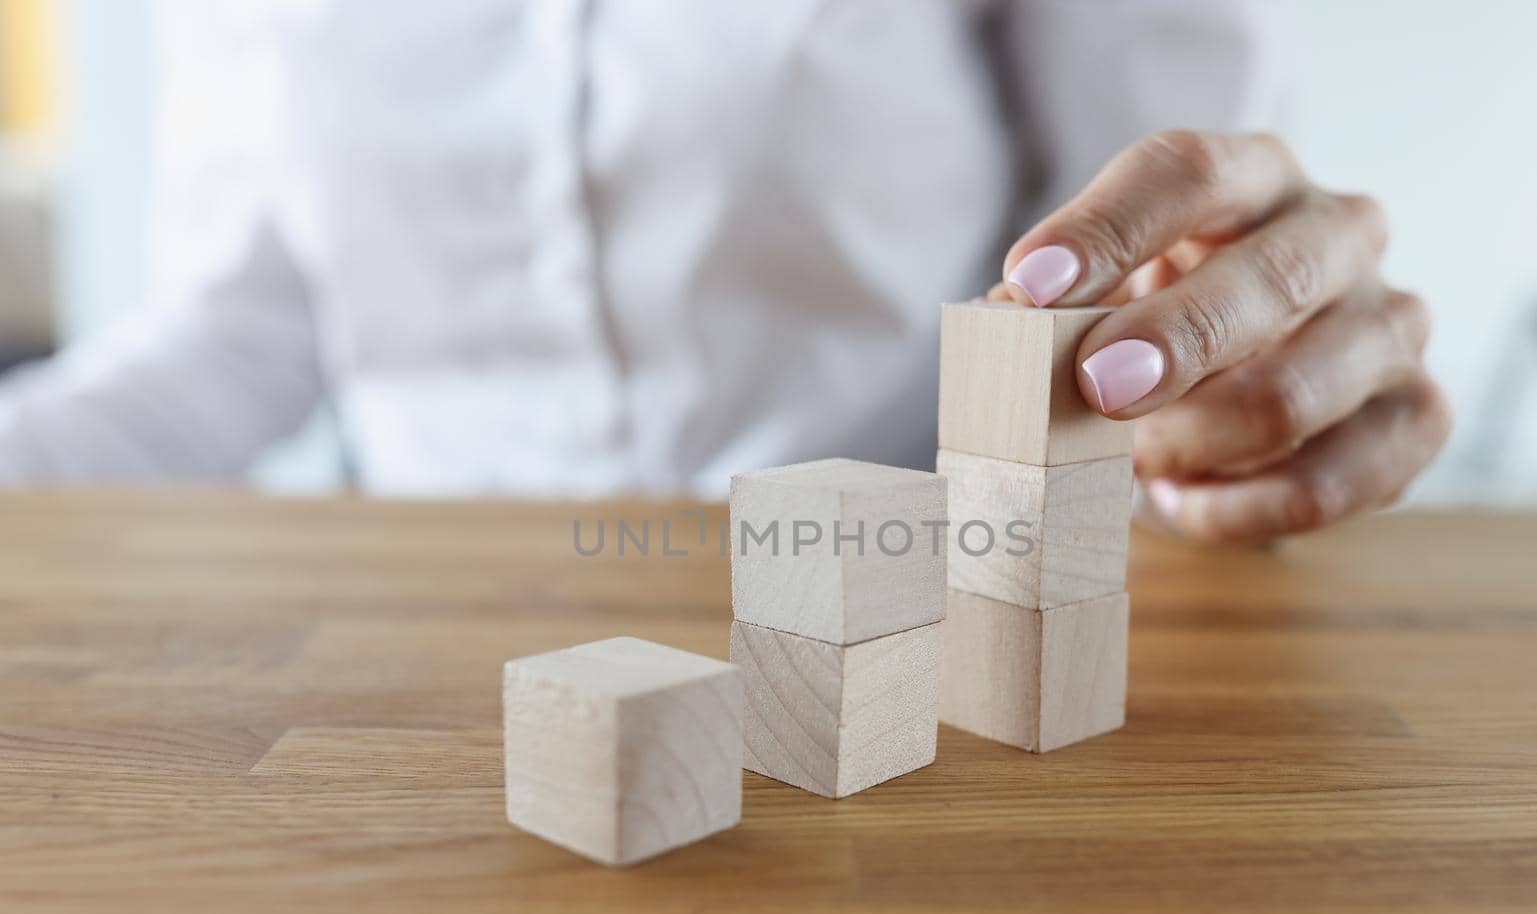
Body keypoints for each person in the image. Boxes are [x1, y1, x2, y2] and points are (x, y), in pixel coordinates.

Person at [0, 1, 1448, 543]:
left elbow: (1166, 260)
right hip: (420, 654)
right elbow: (242, 335)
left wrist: (1235, 364)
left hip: (916, 606)